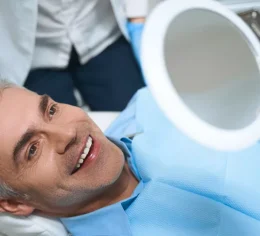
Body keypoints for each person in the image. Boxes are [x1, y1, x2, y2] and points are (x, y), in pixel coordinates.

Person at [0, 80, 260, 236]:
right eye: (32, 150)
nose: (68, 133)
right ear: (13, 203)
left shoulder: (154, 103)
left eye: (51, 110)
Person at [0, 0, 152, 111]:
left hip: (100, 34)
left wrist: (137, 18)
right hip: (36, 54)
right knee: (54, 140)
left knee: (138, 117)